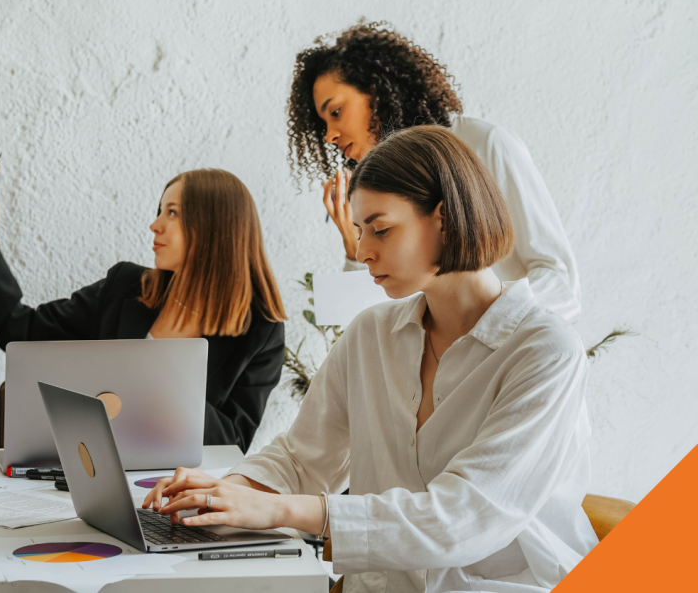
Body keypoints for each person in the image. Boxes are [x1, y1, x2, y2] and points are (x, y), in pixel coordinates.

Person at [144, 126, 597, 593]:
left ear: (444, 217)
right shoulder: (371, 334)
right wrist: (221, 492)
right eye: (359, 232)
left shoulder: (545, 351)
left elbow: (463, 518)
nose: (362, 252)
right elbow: (302, 459)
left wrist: (279, 510)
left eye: (380, 229)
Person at [0, 168, 287, 452]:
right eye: (160, 210)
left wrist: (164, 380)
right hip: (91, 467)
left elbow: (232, 444)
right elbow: (19, 331)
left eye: (172, 213)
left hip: (175, 488)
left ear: (215, 228)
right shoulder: (125, 286)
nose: (154, 224)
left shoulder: (261, 332)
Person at [289, 21, 581, 321]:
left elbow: (560, 282)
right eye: (323, 124)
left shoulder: (484, 145)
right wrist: (355, 245)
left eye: (336, 112)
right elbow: (372, 320)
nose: (329, 136)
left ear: (376, 91)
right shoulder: (378, 189)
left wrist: (482, 326)